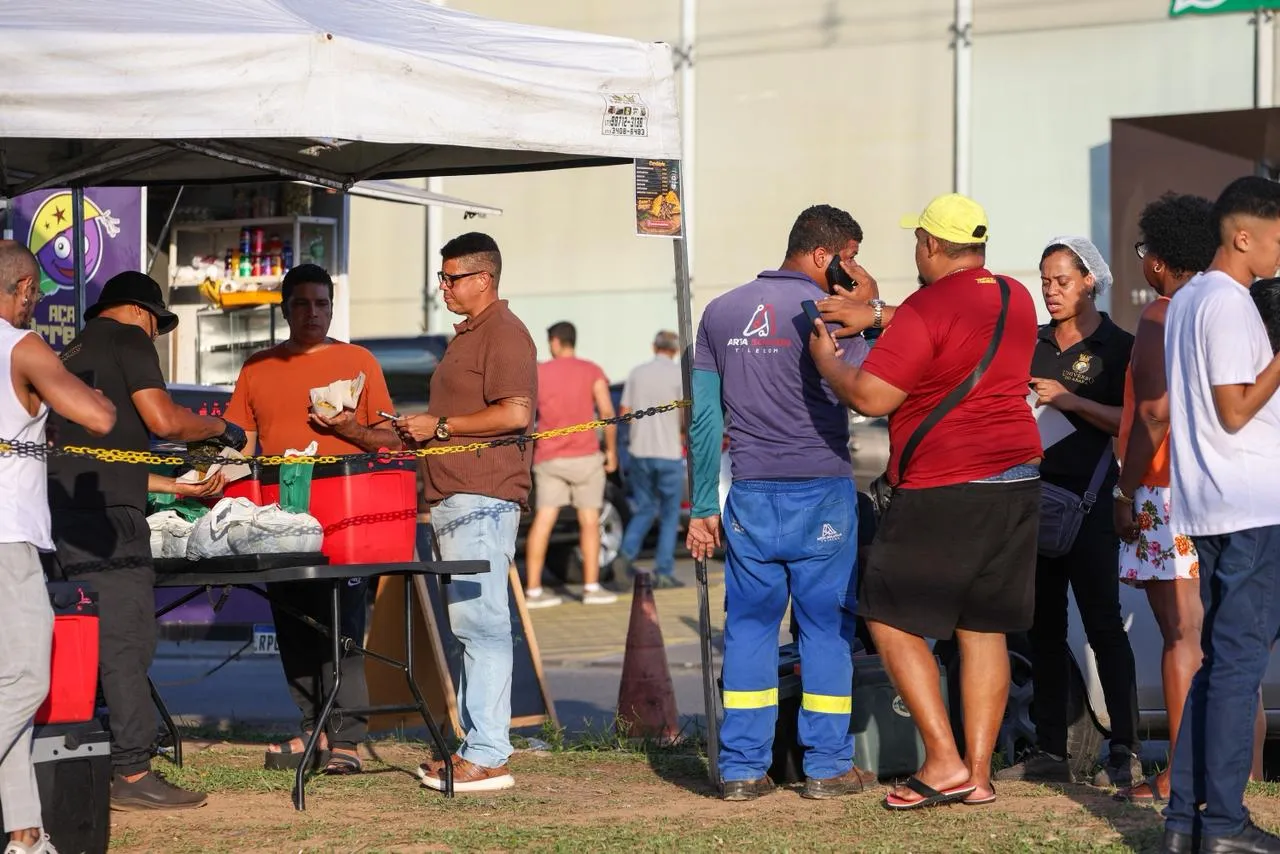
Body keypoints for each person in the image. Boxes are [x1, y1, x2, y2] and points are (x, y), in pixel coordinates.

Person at [809, 193, 1041, 810]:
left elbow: (874, 398)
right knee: (981, 624)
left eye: (918, 240)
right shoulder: (1016, 294)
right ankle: (979, 773)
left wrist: (829, 363)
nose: (916, 249)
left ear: (932, 246)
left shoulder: (926, 305)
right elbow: (956, 329)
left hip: (947, 479)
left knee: (886, 611)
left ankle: (941, 760)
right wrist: (877, 311)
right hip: (1017, 473)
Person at [687, 204, 879, 802]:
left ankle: (743, 767)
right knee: (825, 629)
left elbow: (702, 419)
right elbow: (870, 392)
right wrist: (870, 312)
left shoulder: (721, 312)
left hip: (750, 494)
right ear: (824, 255)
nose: (852, 270)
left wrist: (700, 507)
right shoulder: (835, 316)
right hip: (821, 489)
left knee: (748, 629)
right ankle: (827, 766)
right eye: (848, 258)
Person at [44, 271, 243, 811]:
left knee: (83, 646)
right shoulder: (128, 339)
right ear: (138, 311)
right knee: (127, 641)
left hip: (62, 516)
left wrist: (173, 485)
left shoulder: (67, 354)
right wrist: (220, 428)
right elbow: (162, 420)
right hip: (109, 523)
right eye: (156, 324)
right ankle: (132, 774)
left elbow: (94, 458)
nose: (154, 336)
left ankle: (80, 758)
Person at [1113, 194, 1266, 804]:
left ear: (1159, 261)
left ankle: (1181, 775)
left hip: (1162, 487)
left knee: (1182, 637)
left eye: (1145, 252)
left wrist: (1124, 491)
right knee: (1230, 638)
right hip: (1222, 489)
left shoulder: (1165, 315)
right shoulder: (1230, 306)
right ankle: (1246, 772)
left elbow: (1153, 413)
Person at [223, 264, 400, 776]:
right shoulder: (257, 367)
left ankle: (347, 737)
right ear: (284, 309)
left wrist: (346, 426)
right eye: (302, 304)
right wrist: (215, 475)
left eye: (322, 304)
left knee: (342, 625)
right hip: (277, 517)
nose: (313, 314)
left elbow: (388, 440)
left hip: (344, 517)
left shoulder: (357, 360)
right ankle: (312, 728)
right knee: (292, 623)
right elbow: (244, 443)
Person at [1161, 176, 1280, 854]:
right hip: (1252, 502)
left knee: (1218, 663)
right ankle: (1227, 825)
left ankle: (1184, 822)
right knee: (1237, 666)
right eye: (1277, 240)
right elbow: (1235, 408)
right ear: (1243, 237)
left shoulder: (1186, 300)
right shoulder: (1231, 304)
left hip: (1208, 502)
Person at [994, 237, 1141, 788]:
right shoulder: (1028, 341)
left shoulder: (1117, 345)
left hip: (1091, 502)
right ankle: (1051, 750)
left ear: (1090, 282)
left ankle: (1124, 749)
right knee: (1043, 628)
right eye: (1045, 280)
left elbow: (1135, 421)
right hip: (1030, 497)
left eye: (1062, 281)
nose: (1051, 292)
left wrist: (1071, 400)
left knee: (1104, 625)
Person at [394, 233, 537, 794]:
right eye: (442, 276)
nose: (444, 286)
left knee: (483, 625)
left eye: (452, 277)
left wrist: (441, 427)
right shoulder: (468, 336)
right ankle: (477, 745)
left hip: (483, 495)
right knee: (471, 626)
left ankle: (488, 754)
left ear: (485, 279)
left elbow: (516, 413)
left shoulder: (504, 332)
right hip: (458, 494)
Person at [0, 241, 115, 854]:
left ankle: (26, 834)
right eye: (33, 295)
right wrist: (93, 398)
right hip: (6, 539)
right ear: (22, 290)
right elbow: (94, 418)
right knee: (24, 680)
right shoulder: (21, 345)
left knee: (4, 684)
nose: (34, 304)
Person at [522, 321, 618, 608]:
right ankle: (591, 587)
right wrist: (611, 452)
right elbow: (607, 413)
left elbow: (526, 413)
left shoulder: (539, 373)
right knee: (589, 521)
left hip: (549, 456)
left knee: (544, 520)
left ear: (554, 342)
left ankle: (534, 591)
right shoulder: (592, 371)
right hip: (585, 456)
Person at [616, 330, 686, 588]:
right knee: (670, 514)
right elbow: (684, 416)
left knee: (645, 508)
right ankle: (664, 572)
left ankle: (625, 554)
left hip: (640, 452)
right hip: (668, 452)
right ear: (675, 350)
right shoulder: (679, 375)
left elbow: (624, 412)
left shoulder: (636, 373)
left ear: (653, 347)